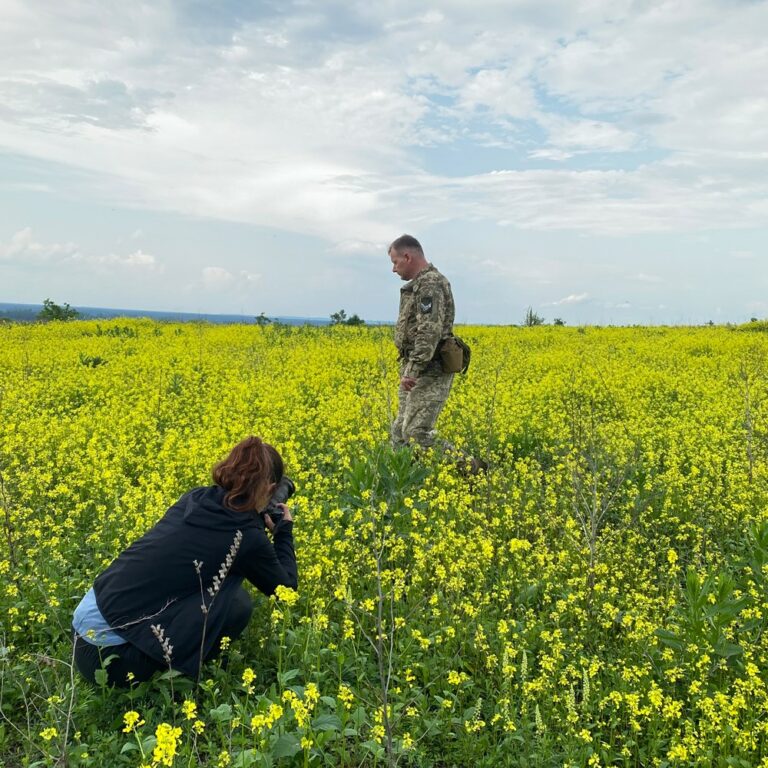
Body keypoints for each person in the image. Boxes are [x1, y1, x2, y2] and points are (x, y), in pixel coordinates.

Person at [72, 436, 297, 687]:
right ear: (268, 488)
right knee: (236, 604)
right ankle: (179, 681)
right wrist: (283, 532)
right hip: (111, 662)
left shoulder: (196, 498)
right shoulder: (246, 536)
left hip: (82, 636)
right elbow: (286, 590)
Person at [389, 234, 456, 450]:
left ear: (407, 257)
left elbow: (429, 330)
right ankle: (405, 479)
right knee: (400, 431)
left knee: (417, 433)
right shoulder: (420, 284)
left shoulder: (430, 284)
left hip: (429, 368)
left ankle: (472, 470)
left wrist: (414, 369)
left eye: (395, 262)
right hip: (414, 367)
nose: (393, 269)